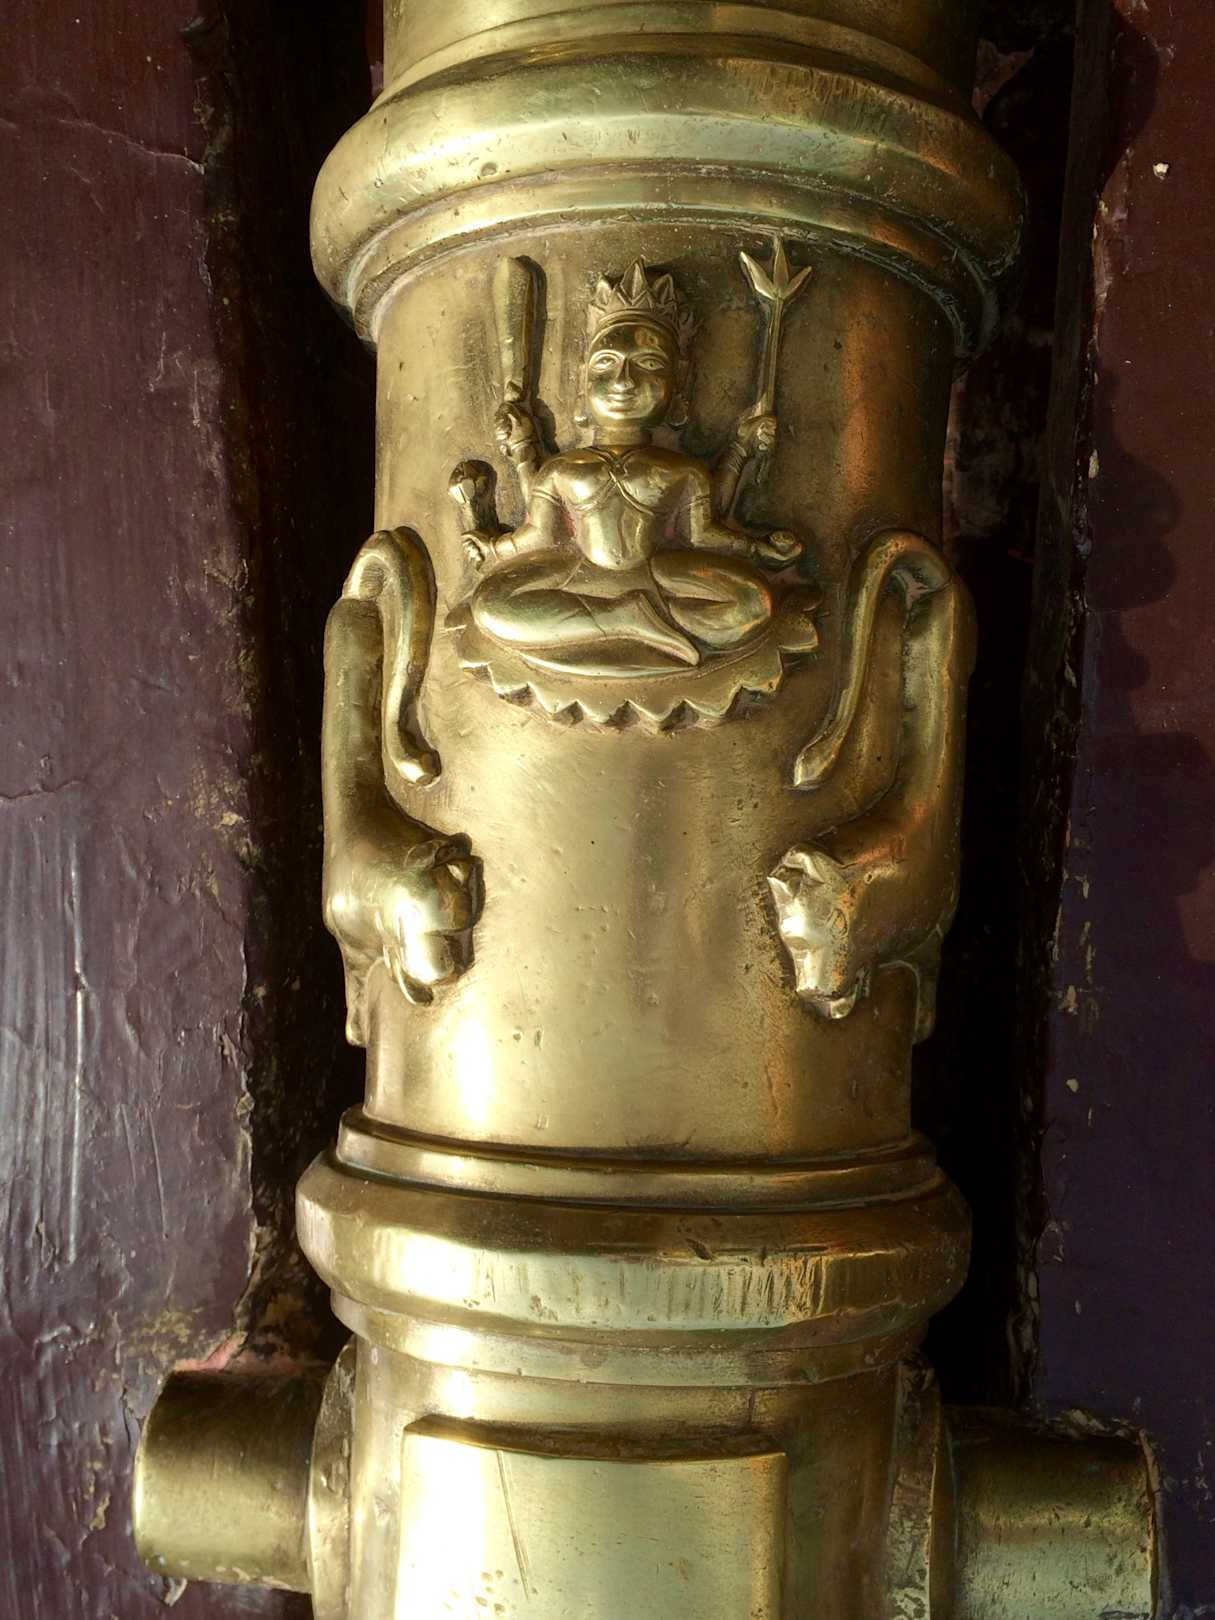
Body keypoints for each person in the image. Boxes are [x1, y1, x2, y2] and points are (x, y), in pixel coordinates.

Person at [461, 260, 801, 674]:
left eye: (649, 365)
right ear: (582, 381)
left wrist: (757, 540)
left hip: (659, 574)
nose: (624, 381)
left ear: (679, 386)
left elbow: (705, 533)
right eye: (606, 363)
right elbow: (540, 533)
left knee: (753, 604)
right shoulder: (562, 469)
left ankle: (615, 620)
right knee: (490, 606)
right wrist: (495, 545)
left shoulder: (682, 471)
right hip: (577, 572)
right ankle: (623, 619)